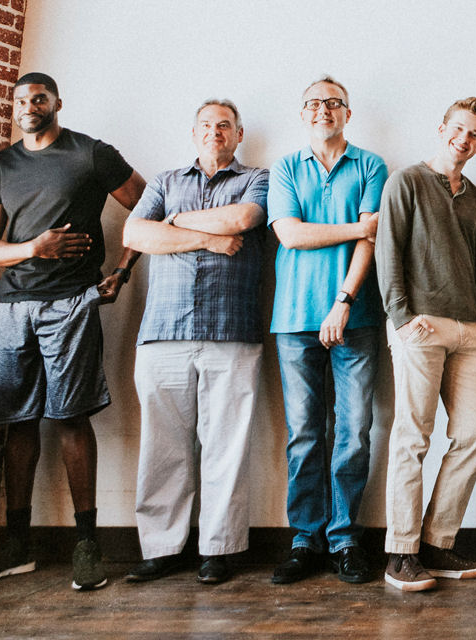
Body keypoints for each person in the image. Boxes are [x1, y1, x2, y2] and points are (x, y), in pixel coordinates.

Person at [0, 71, 146, 591]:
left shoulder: (91, 154)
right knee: (18, 424)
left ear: (56, 102)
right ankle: (16, 545)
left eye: (38, 97)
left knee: (70, 419)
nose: (29, 105)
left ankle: (87, 546)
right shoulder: (2, 165)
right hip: (12, 307)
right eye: (21, 99)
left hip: (71, 302)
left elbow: (149, 207)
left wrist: (122, 271)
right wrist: (31, 249)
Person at [119, 99, 269, 585]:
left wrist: (175, 223)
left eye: (224, 125)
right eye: (206, 125)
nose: (214, 132)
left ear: (238, 134)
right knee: (163, 447)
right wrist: (205, 238)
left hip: (233, 330)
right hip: (163, 331)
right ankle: (162, 548)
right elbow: (137, 233)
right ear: (193, 132)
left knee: (226, 446)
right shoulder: (165, 181)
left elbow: (242, 221)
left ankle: (218, 548)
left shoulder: (257, 179)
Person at [266, 76, 389, 586]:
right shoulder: (285, 168)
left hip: (355, 319)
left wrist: (343, 301)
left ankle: (344, 539)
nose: (323, 110)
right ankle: (304, 539)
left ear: (347, 113)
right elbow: (290, 234)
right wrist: (358, 226)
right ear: (303, 113)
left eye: (333, 103)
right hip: (294, 318)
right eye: (314, 103)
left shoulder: (371, 165)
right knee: (303, 435)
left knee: (354, 432)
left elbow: (372, 242)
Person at [376, 97, 476, 592]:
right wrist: (403, 319)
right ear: (442, 127)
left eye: (474, 135)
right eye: (458, 129)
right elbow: (390, 253)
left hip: (470, 333)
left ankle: (437, 543)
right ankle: (400, 552)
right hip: (420, 326)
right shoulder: (405, 182)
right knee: (413, 437)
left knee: (474, 434)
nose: (464, 139)